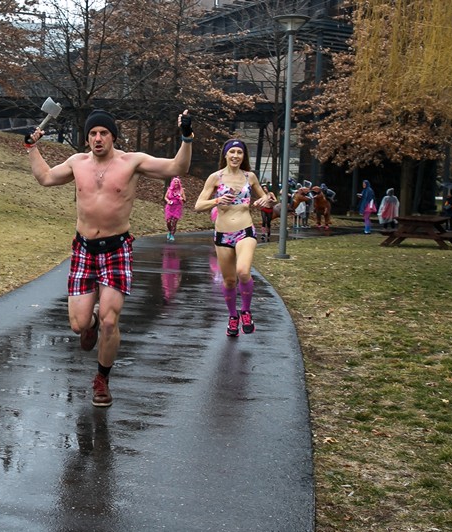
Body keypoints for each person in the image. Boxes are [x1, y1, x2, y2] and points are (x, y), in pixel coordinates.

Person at [26, 108, 193, 407]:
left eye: (103, 133)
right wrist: (31, 148)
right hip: (84, 249)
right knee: (79, 324)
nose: (98, 138)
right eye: (92, 133)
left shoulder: (132, 162)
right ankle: (88, 324)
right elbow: (46, 178)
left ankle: (102, 379)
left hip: (116, 249)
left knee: (109, 320)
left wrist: (186, 136)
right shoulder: (77, 162)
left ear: (113, 136)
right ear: (87, 138)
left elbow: (176, 167)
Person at [194, 138, 274, 338]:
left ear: (243, 156)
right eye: (232, 152)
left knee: (243, 271)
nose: (236, 156)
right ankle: (232, 316)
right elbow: (198, 205)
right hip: (222, 235)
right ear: (226, 154)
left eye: (240, 152)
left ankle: (246, 311)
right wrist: (217, 200)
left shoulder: (250, 177)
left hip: (245, 230)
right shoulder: (215, 178)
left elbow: (266, 201)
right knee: (229, 281)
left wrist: (269, 199)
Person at [163, 176, 184, 242]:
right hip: (169, 207)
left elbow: (185, 199)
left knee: (174, 222)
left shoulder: (181, 190)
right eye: (175, 182)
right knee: (168, 221)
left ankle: (172, 235)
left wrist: (182, 199)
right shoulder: (169, 189)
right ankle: (170, 231)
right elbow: (165, 197)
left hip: (177, 207)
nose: (176, 183)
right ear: (172, 183)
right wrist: (168, 201)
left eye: (177, 182)